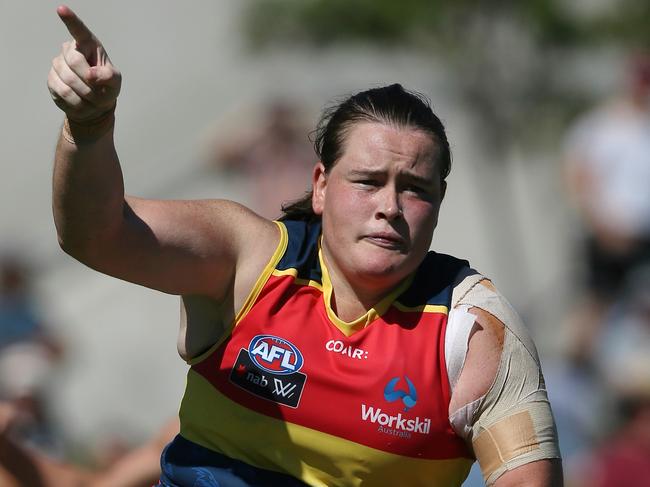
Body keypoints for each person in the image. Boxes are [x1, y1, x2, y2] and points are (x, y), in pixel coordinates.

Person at [47, 5, 562, 486]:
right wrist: (89, 127)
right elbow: (95, 235)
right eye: (367, 181)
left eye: (415, 188)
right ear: (320, 186)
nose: (390, 205)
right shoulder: (247, 259)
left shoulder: (473, 334)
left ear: (440, 200)